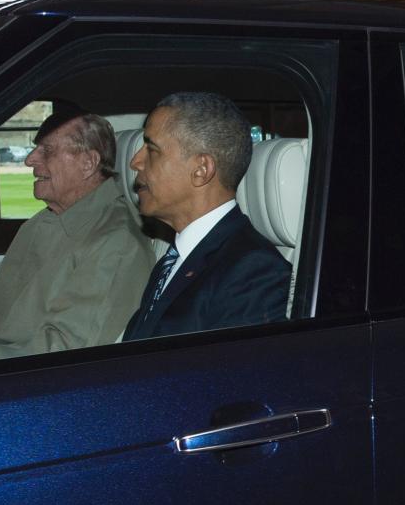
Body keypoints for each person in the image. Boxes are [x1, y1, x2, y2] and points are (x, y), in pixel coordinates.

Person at [122, 92, 291, 341]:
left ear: (201, 170)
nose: (135, 162)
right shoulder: (174, 259)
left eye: (152, 149)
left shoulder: (253, 271)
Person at [0, 112, 154, 359]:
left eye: (47, 151)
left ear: (88, 164)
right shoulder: (41, 222)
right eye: (35, 150)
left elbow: (62, 355)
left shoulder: (115, 244)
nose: (30, 160)